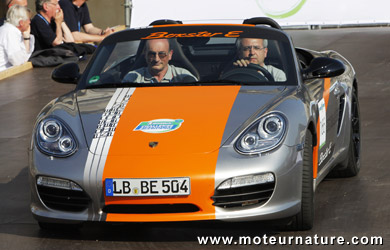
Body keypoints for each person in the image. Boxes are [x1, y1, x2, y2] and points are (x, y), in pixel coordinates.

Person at [122, 39, 197, 83]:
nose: (156, 59)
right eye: (151, 54)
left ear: (170, 55)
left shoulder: (184, 77)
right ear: (145, 54)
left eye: (161, 54)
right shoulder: (132, 79)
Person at [0, 4, 34, 71]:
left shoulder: (8, 29)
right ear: (21, 22)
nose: (30, 22)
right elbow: (18, 61)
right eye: (28, 19)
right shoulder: (10, 32)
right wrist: (26, 39)